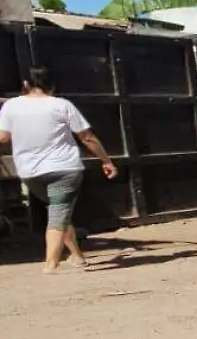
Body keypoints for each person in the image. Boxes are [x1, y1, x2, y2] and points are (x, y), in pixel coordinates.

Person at [0, 67, 119, 273]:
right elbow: (87, 138)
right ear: (52, 85)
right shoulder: (62, 105)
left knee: (58, 211)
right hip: (64, 168)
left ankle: (76, 255)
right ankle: (51, 263)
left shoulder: (11, 106)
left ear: (26, 84)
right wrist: (106, 161)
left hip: (30, 171)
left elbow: (3, 137)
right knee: (58, 214)